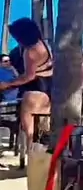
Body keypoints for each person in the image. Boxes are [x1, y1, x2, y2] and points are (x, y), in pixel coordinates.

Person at [0, 18, 53, 150]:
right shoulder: (43, 44)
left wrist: (8, 84)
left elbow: (29, 76)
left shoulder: (30, 52)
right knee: (40, 130)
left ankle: (31, 155)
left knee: (30, 131)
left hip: (35, 91)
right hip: (47, 88)